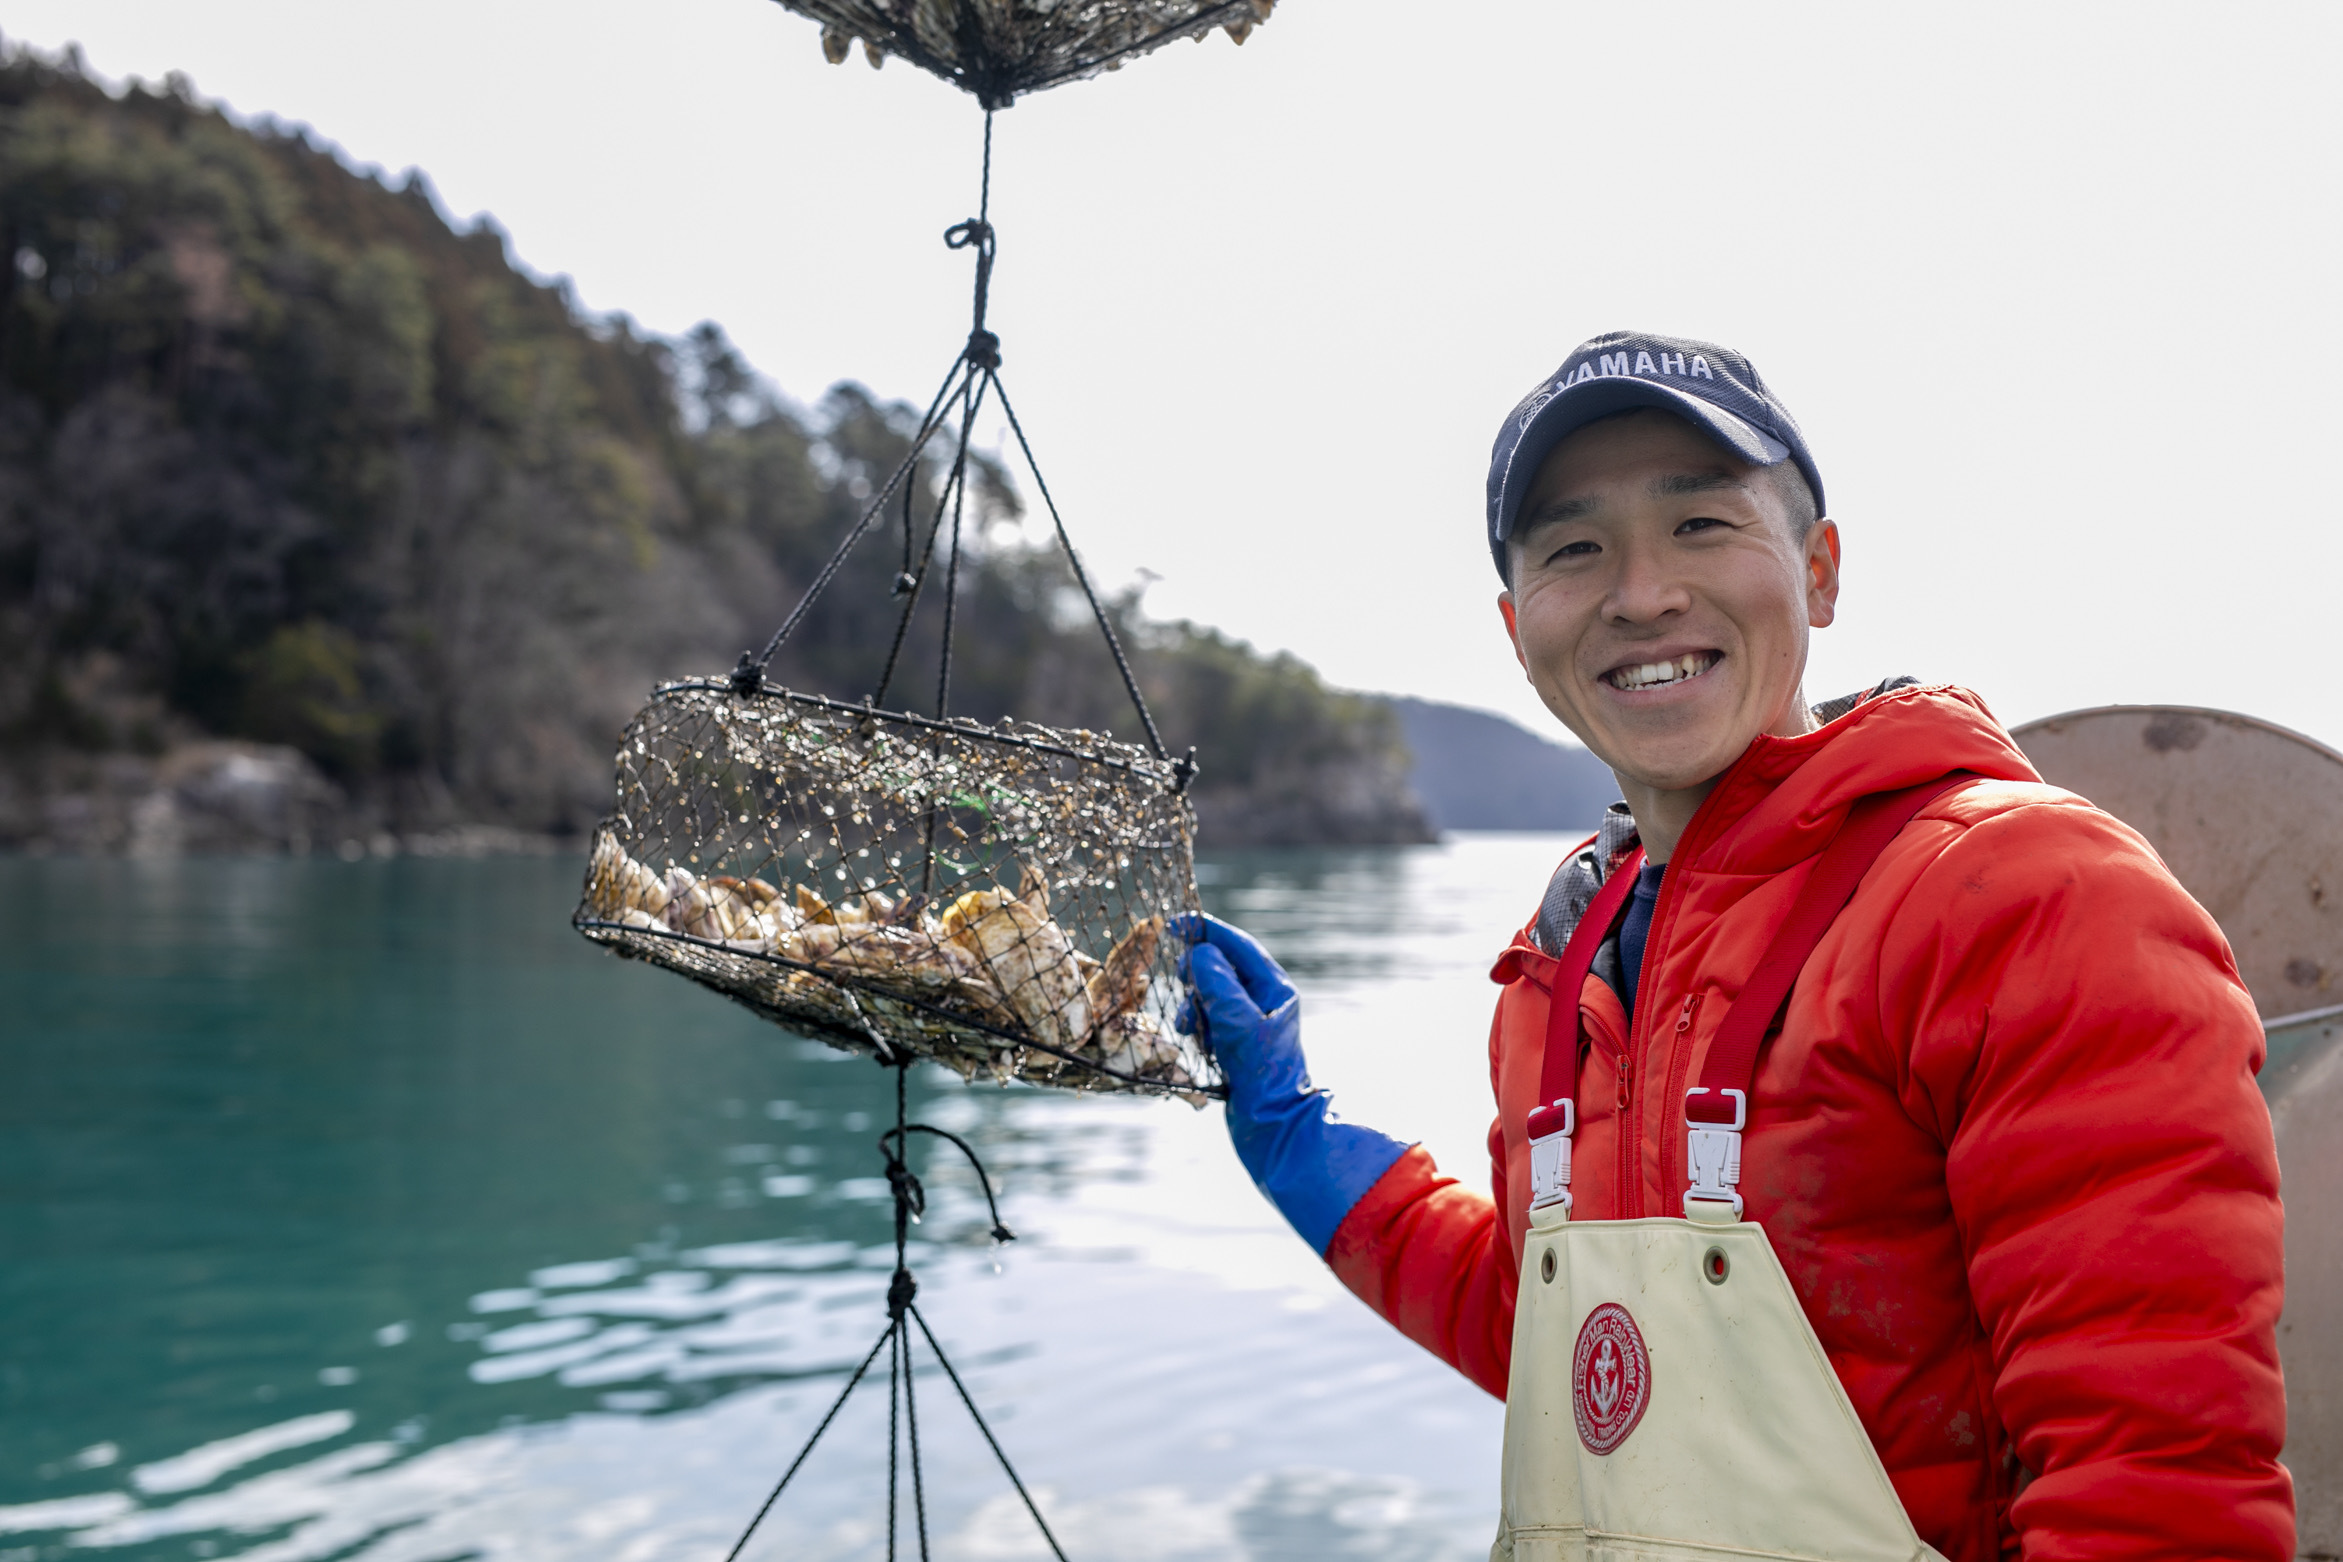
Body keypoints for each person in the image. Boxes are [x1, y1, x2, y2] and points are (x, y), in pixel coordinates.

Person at [1178, 332, 2293, 1561]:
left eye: (1701, 524)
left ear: (1818, 570)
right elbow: (1577, 1353)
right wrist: (1300, 1141)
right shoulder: (1558, 962)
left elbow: (2155, 1483)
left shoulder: (2019, 895)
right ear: (1515, 625)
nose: (1642, 592)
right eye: (1573, 546)